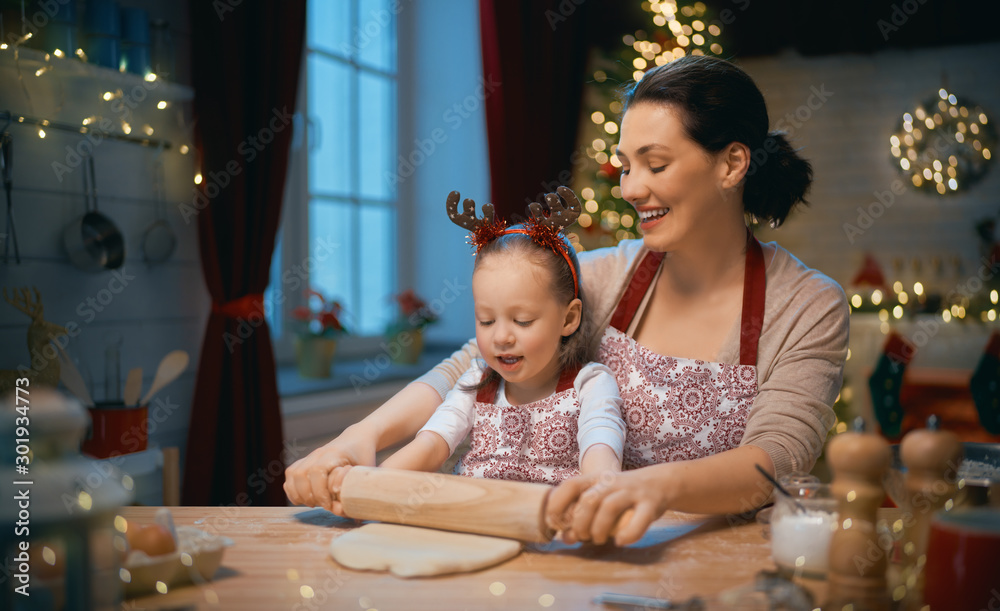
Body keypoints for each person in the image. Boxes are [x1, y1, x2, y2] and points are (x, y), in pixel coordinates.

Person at [284, 55, 849, 547]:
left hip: (713, 559)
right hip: (590, 552)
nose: (629, 188)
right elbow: (474, 363)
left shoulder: (807, 305)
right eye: (626, 166)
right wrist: (360, 438)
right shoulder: (606, 276)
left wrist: (652, 487)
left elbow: (776, 456)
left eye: (655, 165)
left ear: (731, 164)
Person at [374, 188, 625, 483]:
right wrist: (370, 483)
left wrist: (600, 493)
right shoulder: (476, 381)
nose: (501, 337)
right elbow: (430, 446)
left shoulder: (591, 385)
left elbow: (601, 457)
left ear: (568, 318)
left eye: (522, 320)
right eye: (487, 320)